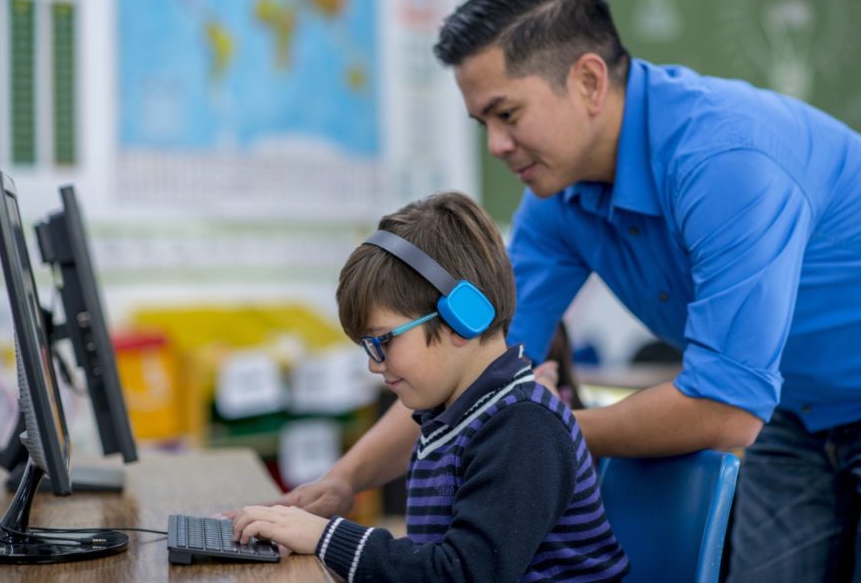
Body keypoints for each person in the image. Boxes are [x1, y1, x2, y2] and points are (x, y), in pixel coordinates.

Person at [272, 0, 861, 581]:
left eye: (508, 115)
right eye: (482, 124)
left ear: (590, 81)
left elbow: (725, 407)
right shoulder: (556, 197)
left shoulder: (725, 160)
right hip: (797, 405)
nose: (497, 146)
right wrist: (345, 479)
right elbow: (469, 356)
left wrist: (538, 438)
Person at [233, 191, 629, 581]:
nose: (374, 365)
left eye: (384, 340)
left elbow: (461, 572)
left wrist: (323, 537)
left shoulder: (523, 427)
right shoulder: (452, 419)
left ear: (462, 318)